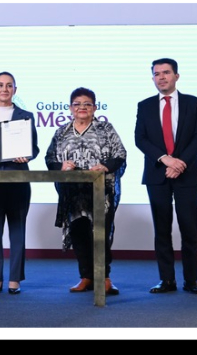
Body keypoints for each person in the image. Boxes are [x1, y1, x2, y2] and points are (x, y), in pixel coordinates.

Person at [134, 58, 197, 295]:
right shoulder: (144, 106)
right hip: (157, 174)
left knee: (189, 229)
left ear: (176, 76)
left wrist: (180, 163)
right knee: (162, 229)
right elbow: (140, 139)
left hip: (188, 175)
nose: (161, 77)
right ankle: (166, 280)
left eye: (166, 72)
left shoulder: (194, 103)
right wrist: (165, 159)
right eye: (156, 74)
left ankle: (191, 280)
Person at [45, 87, 127, 295]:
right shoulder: (61, 131)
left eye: (87, 104)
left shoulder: (106, 129)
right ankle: (86, 277)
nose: (82, 108)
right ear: (70, 108)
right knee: (79, 233)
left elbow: (120, 154)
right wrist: (61, 167)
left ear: (94, 107)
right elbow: (50, 159)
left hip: (102, 193)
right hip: (73, 195)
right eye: (77, 104)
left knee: (101, 234)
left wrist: (105, 166)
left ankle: (104, 277)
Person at [0, 71, 39, 295]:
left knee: (17, 231)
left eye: (9, 85)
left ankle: (15, 279)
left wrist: (27, 155)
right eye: (0, 85)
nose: (4, 89)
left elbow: (34, 147)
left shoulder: (26, 115)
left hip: (18, 179)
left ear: (15, 89)